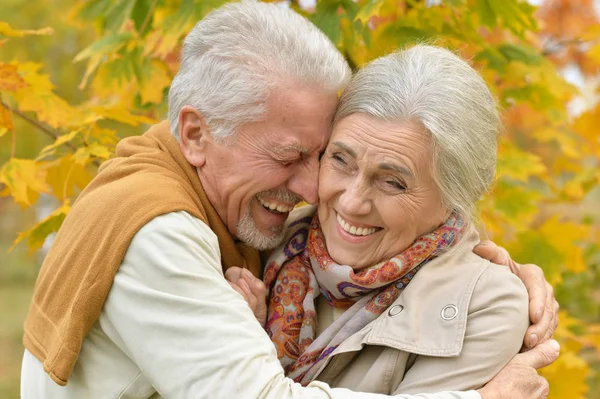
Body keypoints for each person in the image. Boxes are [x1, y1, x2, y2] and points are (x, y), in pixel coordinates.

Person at [20, 2, 557, 398]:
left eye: (319, 155)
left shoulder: (253, 221)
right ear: (196, 136)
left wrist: (489, 268)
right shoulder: (160, 232)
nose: (316, 192)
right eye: (296, 157)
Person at [228, 44, 557, 397]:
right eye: (341, 160)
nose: (352, 203)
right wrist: (239, 337)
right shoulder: (262, 236)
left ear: (454, 196)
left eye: (393, 182)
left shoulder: (486, 307)